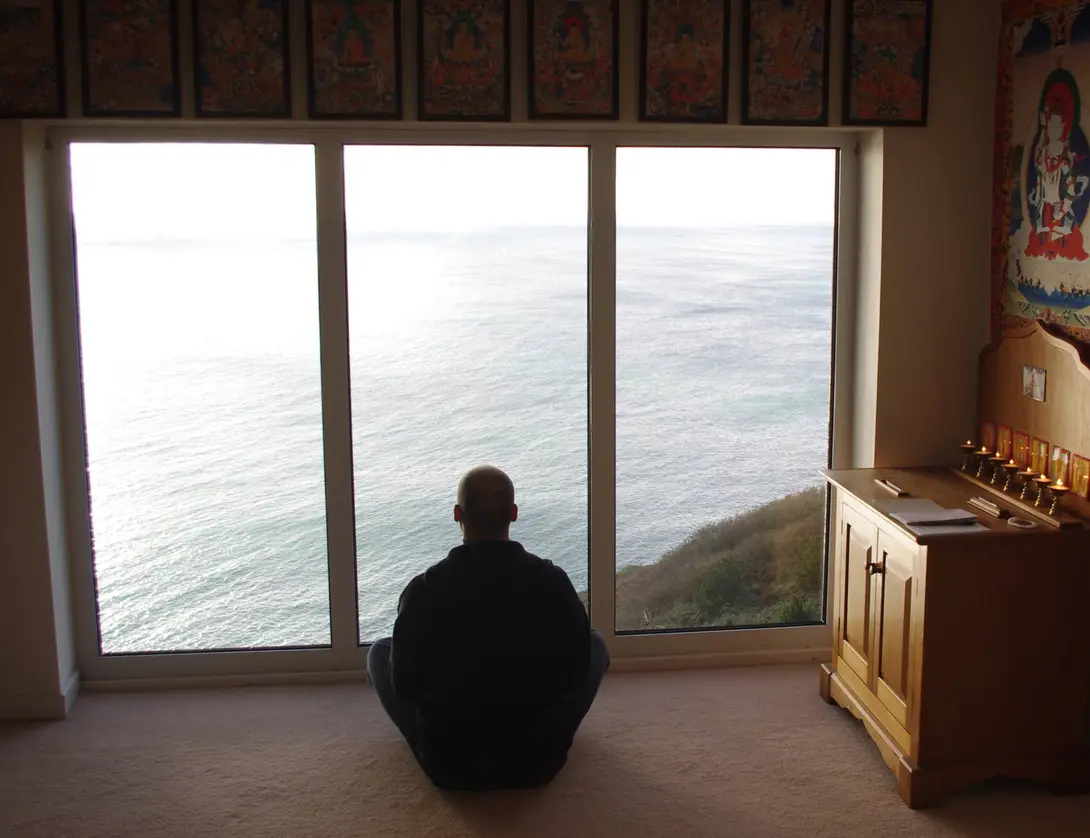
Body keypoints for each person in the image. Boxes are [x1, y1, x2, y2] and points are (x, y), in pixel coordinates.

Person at [367, 465, 609, 791]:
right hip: (538, 761)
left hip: (449, 765)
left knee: (379, 652)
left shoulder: (424, 590)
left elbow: (405, 686)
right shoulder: (553, 583)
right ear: (514, 513)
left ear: (457, 514)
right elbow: (577, 675)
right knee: (595, 644)